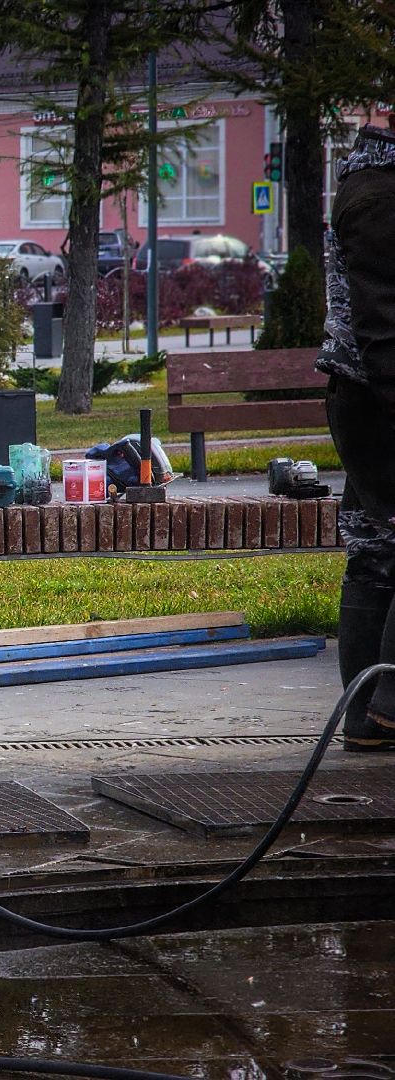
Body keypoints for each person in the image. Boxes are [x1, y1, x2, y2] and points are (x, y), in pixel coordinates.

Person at [320, 124, 395, 751]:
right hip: (378, 399)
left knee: (375, 546)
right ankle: (385, 709)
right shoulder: (377, 197)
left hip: (365, 398)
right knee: (379, 549)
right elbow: (382, 328)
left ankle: (367, 717)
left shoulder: (367, 187)